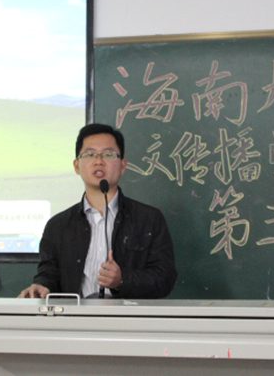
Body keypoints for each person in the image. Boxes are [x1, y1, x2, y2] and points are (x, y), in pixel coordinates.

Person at [19, 123, 176, 299]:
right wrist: (41, 286)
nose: (99, 161)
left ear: (123, 166)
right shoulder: (58, 225)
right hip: (75, 315)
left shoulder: (149, 219)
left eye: (108, 154)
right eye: (90, 154)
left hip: (129, 315)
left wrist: (122, 280)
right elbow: (49, 273)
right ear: (76, 166)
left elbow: (164, 279)